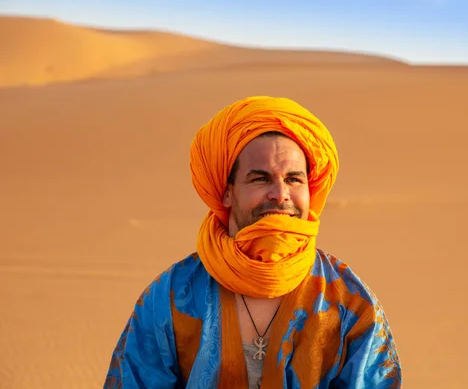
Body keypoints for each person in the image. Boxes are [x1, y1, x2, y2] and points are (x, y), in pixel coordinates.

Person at [104, 96, 402, 388]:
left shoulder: (349, 302)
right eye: (260, 179)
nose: (280, 194)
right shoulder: (171, 297)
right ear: (226, 192)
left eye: (294, 180)